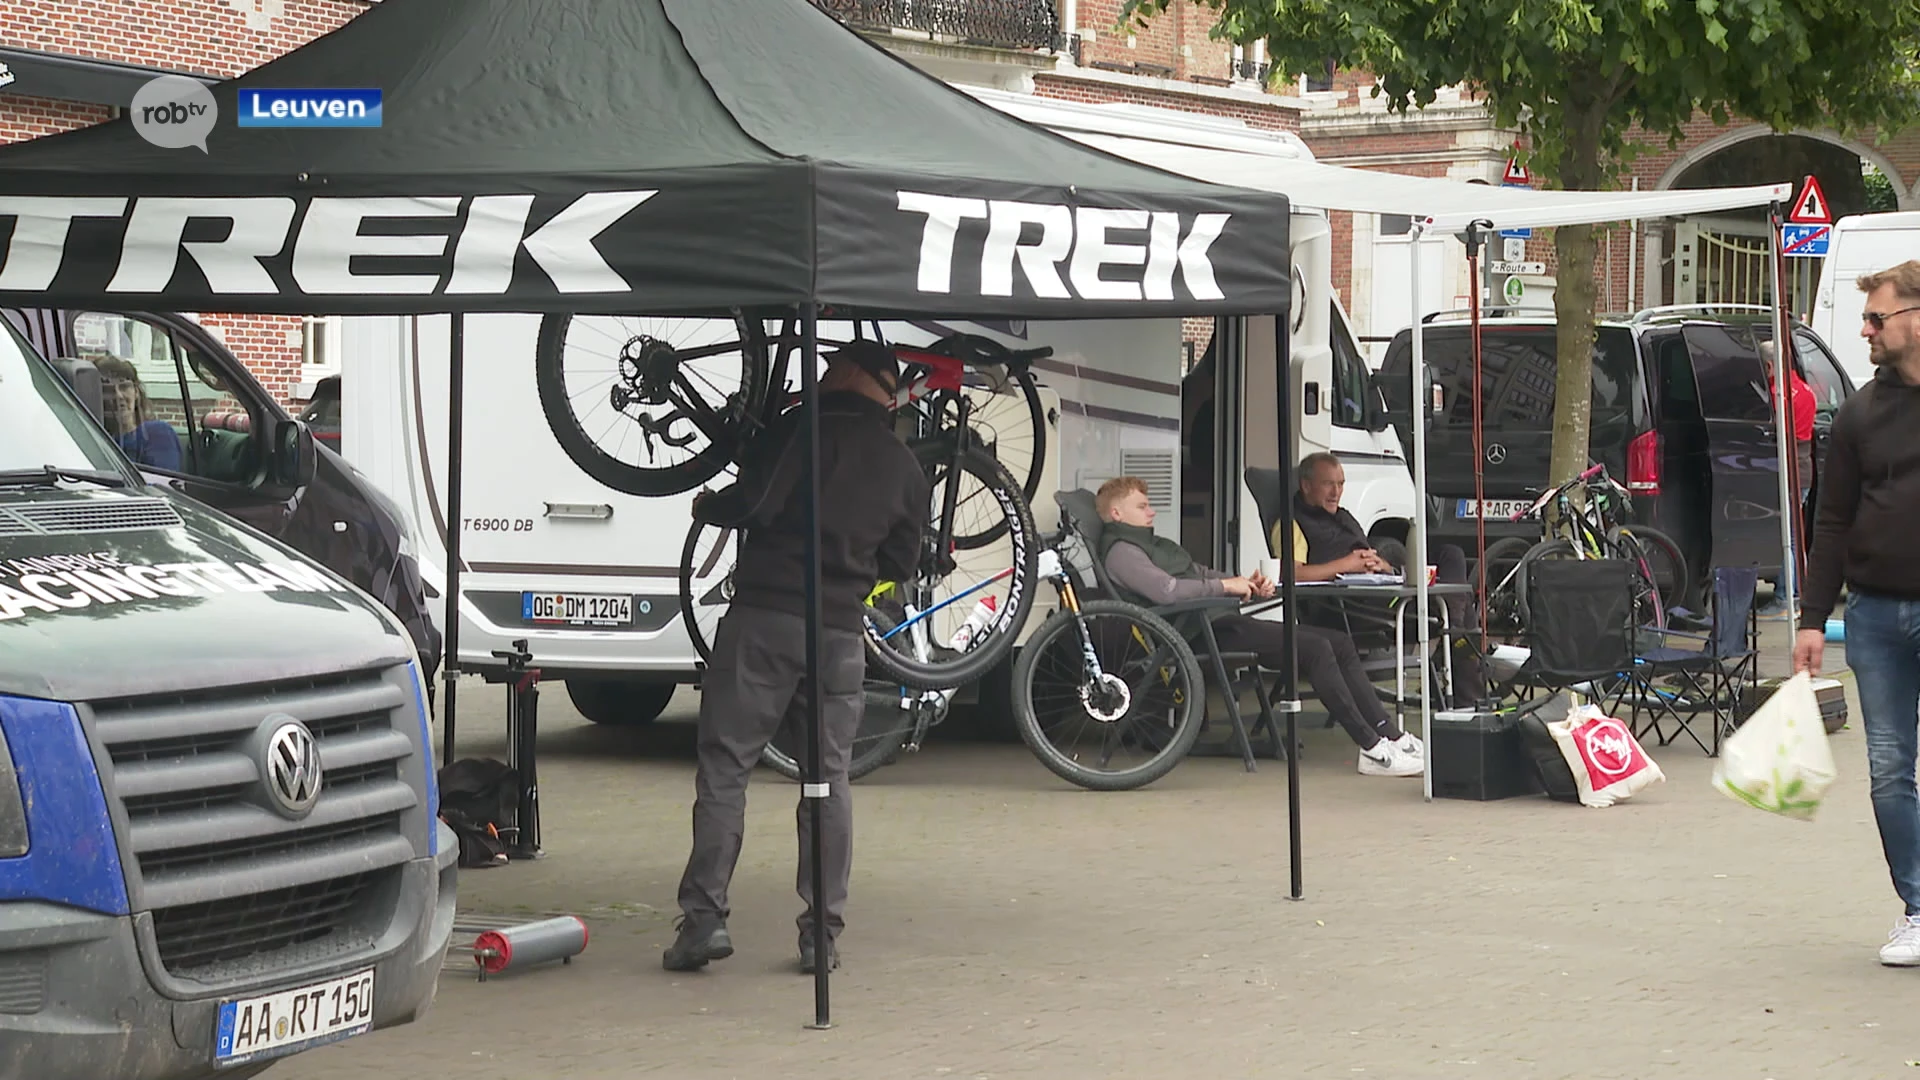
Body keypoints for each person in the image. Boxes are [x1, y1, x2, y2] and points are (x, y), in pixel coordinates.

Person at [664, 340, 928, 976]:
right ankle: (820, 936)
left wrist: (711, 506)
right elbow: (901, 566)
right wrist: (853, 584)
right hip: (837, 636)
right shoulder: (904, 465)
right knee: (826, 777)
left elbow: (756, 503)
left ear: (852, 376)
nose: (824, 371)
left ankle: (704, 921)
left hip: (763, 620)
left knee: (727, 768)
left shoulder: (796, 431)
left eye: (834, 364)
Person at [1096, 476, 1424, 778]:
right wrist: (1225, 588)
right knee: (1316, 648)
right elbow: (1166, 591)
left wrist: (1244, 582)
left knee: (1339, 642)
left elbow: (1199, 572)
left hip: (1213, 623)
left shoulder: (1153, 546)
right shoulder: (1123, 552)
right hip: (1191, 634)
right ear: (1116, 513)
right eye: (1142, 506)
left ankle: (1390, 734)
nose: (1152, 512)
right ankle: (1371, 748)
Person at [1793, 259, 1920, 967]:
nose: (1865, 330)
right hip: (1873, 617)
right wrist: (1813, 618)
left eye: (1877, 317)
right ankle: (1918, 908)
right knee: (1890, 768)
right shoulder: (1860, 414)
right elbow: (1832, 520)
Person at [1277, 452, 1482, 704]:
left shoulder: (1344, 517)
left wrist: (1384, 566)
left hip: (1382, 595)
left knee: (1451, 554)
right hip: (1348, 609)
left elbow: (1368, 556)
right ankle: (1458, 654)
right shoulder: (1292, 522)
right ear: (1306, 485)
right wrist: (1346, 565)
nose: (1336, 491)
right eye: (1328, 484)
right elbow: (1290, 573)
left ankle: (1455, 632)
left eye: (1341, 483)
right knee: (1460, 611)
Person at [92, 356, 183, 472]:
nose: (118, 395)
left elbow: (161, 483)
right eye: (108, 389)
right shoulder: (94, 438)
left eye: (124, 387)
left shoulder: (157, 433)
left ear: (136, 392)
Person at [1758, 339, 1817, 512]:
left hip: (1784, 475)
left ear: (1769, 367)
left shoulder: (1774, 396)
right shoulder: (1808, 391)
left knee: (1785, 534)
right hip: (1804, 473)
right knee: (1796, 527)